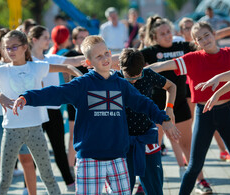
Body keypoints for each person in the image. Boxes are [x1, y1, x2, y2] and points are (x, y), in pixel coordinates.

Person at [12, 35, 180, 194]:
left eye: (106, 53)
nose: (105, 58)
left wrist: (164, 119)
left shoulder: (121, 84)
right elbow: (56, 93)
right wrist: (27, 97)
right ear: (88, 62)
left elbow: (143, 103)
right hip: (89, 158)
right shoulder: (82, 84)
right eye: (99, 56)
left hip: (118, 157)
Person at [0, 30, 82, 195]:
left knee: (48, 176)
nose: (10, 51)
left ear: (25, 47)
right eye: (7, 48)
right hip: (11, 131)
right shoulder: (1, 71)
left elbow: (68, 67)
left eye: (14, 47)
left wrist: (79, 77)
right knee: (5, 179)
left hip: (35, 130)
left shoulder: (37, 67)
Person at [149, 21, 230, 195]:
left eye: (207, 35)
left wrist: (219, 82)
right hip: (204, 114)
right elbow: (162, 66)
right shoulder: (193, 58)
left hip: (226, 112)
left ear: (214, 34)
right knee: (194, 165)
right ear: (196, 43)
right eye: (200, 38)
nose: (205, 40)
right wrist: (139, 73)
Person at [140, 15, 213, 194]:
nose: (167, 36)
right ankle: (144, 185)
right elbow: (129, 61)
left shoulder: (183, 47)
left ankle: (200, 180)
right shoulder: (149, 51)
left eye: (169, 32)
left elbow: (206, 43)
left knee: (188, 146)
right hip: (155, 107)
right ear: (155, 36)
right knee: (152, 148)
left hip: (179, 104)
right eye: (162, 33)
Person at [28, 25, 85, 191]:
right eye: (45, 37)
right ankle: (27, 186)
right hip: (34, 111)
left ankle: (69, 182)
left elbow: (73, 62)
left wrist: (92, 56)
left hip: (53, 111)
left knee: (59, 148)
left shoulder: (51, 58)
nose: (48, 40)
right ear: (34, 40)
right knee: (34, 151)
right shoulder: (26, 62)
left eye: (49, 37)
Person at [117, 48, 177, 194]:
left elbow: (171, 86)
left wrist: (169, 108)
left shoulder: (148, 75)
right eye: (129, 78)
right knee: (122, 189)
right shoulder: (115, 79)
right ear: (120, 69)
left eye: (137, 76)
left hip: (147, 137)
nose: (134, 81)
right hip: (123, 141)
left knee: (154, 187)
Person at [64, 26, 90, 171]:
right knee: (74, 134)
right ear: (74, 40)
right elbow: (64, 72)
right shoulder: (70, 55)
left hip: (92, 99)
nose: (84, 40)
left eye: (87, 36)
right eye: (81, 37)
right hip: (75, 100)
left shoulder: (92, 55)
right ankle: (70, 167)